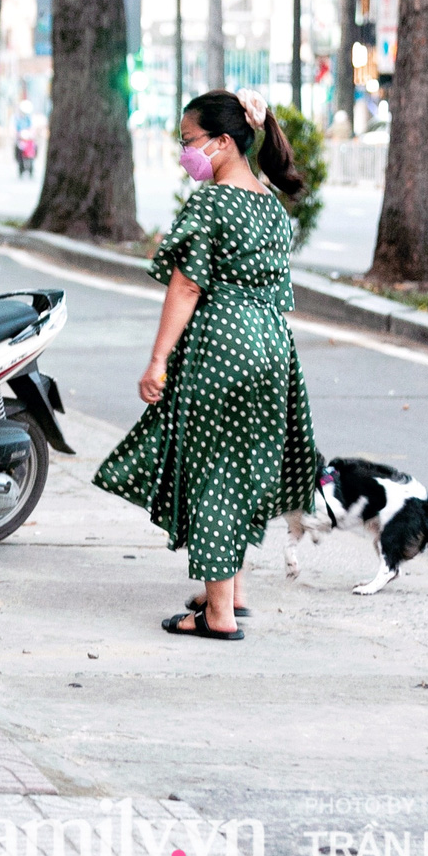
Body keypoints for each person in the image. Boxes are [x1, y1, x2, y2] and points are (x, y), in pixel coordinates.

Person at [94, 88, 323, 640]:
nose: (183, 152)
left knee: (215, 475)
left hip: (221, 346)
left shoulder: (210, 204)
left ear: (222, 142)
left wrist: (157, 361)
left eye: (188, 142)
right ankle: (233, 591)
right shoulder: (271, 204)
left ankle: (217, 616)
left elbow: (188, 285)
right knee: (242, 468)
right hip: (272, 347)